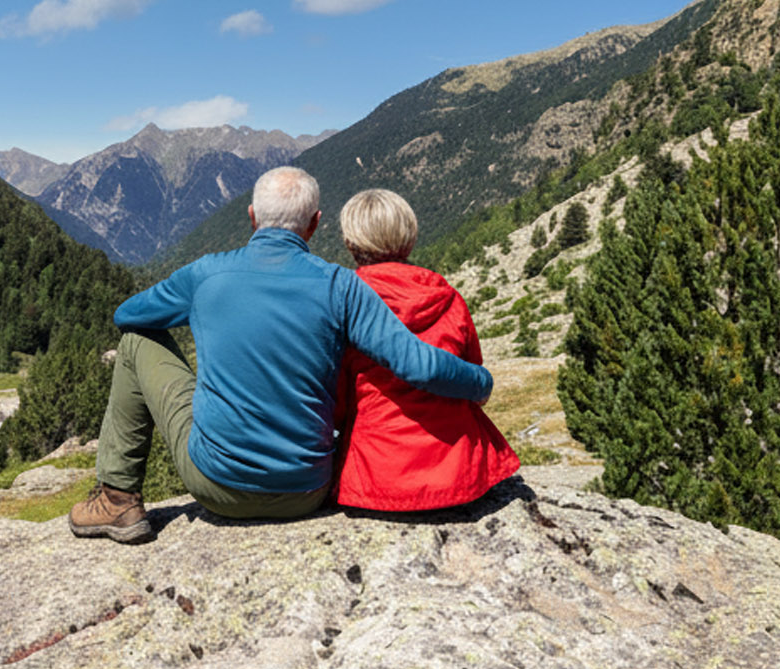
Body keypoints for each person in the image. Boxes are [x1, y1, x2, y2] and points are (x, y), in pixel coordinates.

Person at [70, 166, 494, 543]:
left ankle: (117, 500)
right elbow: (416, 364)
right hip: (306, 492)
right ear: (314, 224)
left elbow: (128, 315)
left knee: (134, 344)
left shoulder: (205, 273)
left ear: (252, 217)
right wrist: (481, 383)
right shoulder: (341, 287)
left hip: (216, 485)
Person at [333, 189, 518, 511]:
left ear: (350, 243)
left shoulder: (341, 303)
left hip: (374, 475)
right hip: (460, 471)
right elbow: (469, 372)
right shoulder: (446, 295)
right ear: (410, 238)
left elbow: (333, 400)